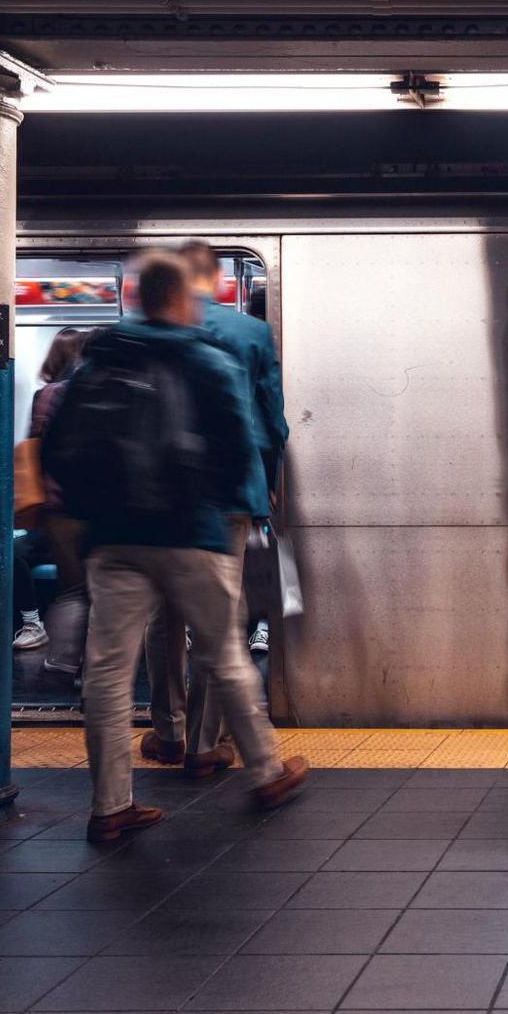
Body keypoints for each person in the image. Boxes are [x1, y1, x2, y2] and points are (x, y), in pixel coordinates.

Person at [42, 252, 307, 842]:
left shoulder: (101, 355)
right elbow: (244, 442)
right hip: (191, 532)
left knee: (109, 674)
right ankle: (264, 771)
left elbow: (58, 442)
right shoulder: (206, 358)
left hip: (114, 540)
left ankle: (111, 806)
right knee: (225, 649)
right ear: (182, 296)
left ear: (137, 294)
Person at [136, 241, 290, 776]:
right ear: (219, 280)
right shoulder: (248, 333)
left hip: (161, 497)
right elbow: (272, 421)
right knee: (217, 619)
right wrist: (267, 486)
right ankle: (206, 745)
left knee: (163, 617)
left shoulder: (150, 331)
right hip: (231, 494)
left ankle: (167, 733)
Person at [12, 327, 92, 653]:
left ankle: (34, 625)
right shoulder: (93, 393)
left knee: (19, 557)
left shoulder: (44, 397)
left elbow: (36, 450)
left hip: (54, 512)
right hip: (86, 512)